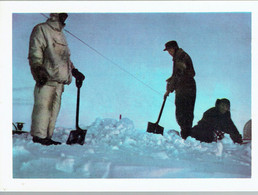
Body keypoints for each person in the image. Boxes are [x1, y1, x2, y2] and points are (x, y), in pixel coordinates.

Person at [28, 13, 85, 145]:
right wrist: (38, 69)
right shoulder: (42, 29)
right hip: (46, 78)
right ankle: (39, 137)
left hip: (60, 82)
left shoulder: (61, 35)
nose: (65, 17)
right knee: (43, 108)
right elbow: (35, 52)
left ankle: (47, 137)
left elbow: (65, 59)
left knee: (53, 111)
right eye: (62, 14)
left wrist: (74, 71)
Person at [164, 40, 196, 139]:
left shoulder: (181, 57)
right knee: (184, 112)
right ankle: (186, 134)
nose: (169, 53)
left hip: (186, 88)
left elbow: (179, 74)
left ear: (174, 48)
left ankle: (186, 135)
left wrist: (170, 88)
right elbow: (176, 75)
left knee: (183, 112)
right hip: (185, 87)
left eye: (170, 50)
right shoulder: (178, 57)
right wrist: (169, 86)